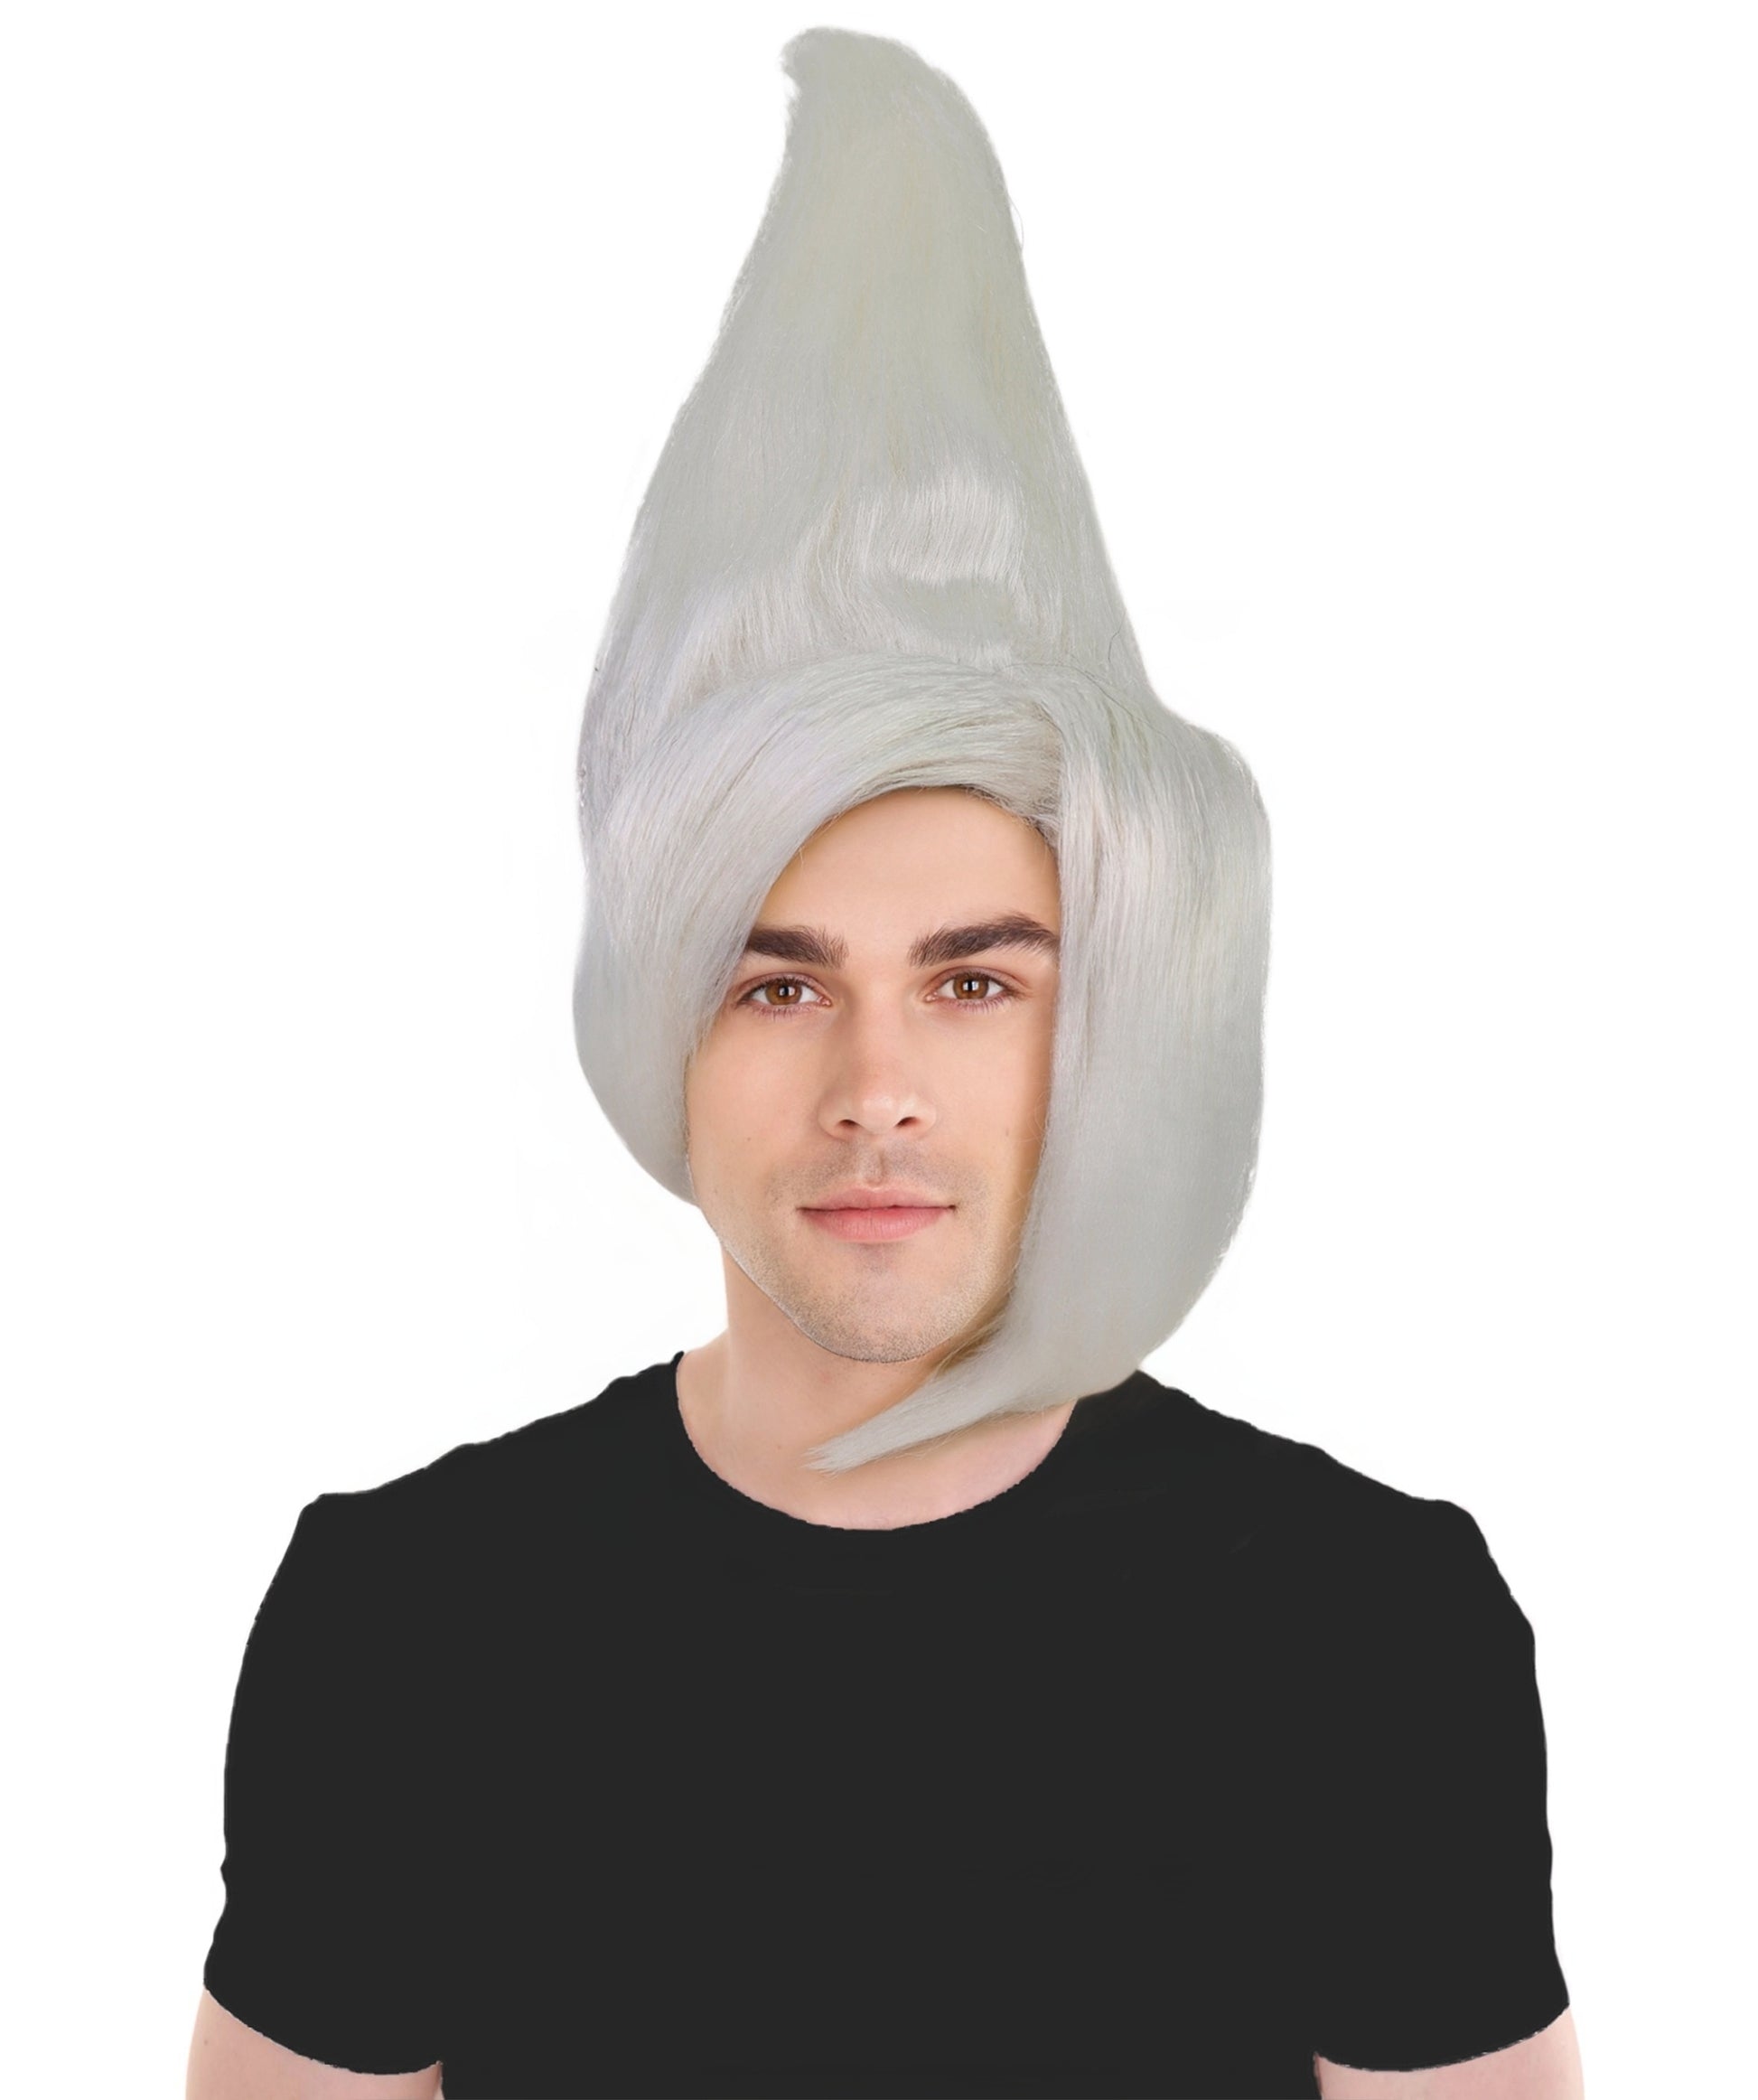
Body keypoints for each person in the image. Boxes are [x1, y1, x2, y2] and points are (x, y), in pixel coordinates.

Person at [187, 29, 1583, 2099]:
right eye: (778, 985)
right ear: (662, 1026)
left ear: (1109, 1022)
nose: (874, 1084)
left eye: (974, 982)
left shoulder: (1361, 1626)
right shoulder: (411, 1618)